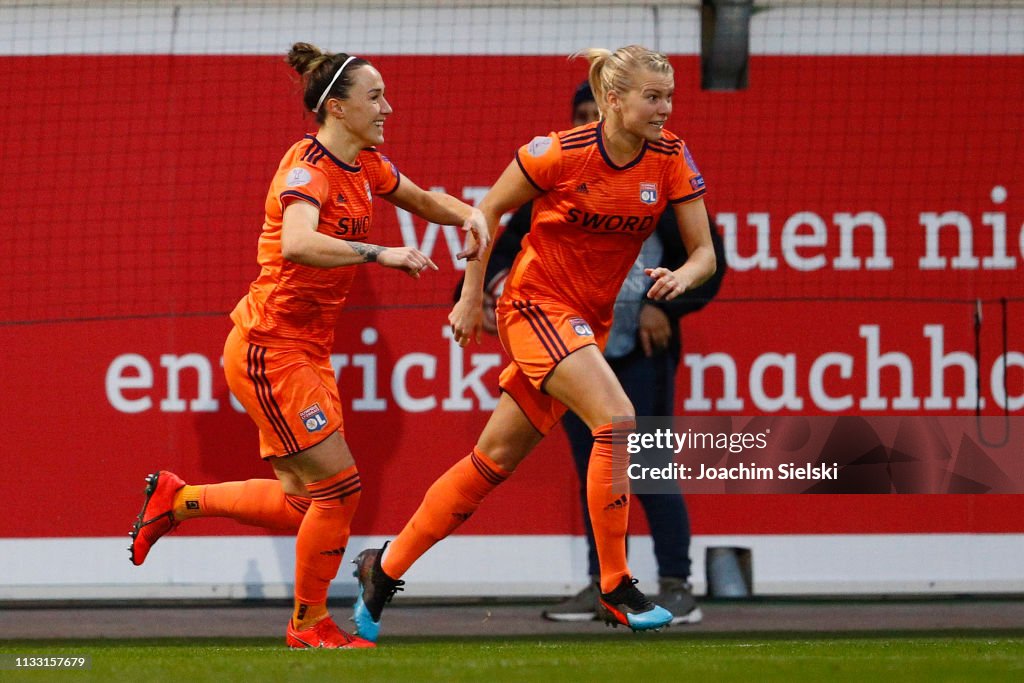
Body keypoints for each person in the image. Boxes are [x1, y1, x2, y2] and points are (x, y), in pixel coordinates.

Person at [128, 42, 488, 650]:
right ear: (337, 108)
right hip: (269, 348)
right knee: (342, 489)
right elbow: (297, 243)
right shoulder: (307, 169)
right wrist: (384, 253)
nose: (388, 108)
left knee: (308, 503)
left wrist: (470, 216)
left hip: (306, 352)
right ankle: (307, 624)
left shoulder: (365, 165)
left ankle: (178, 498)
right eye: (374, 98)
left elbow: (424, 200)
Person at [352, 45, 716, 641]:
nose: (664, 108)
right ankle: (616, 584)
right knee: (619, 419)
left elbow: (704, 252)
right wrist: (470, 297)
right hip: (535, 306)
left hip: (586, 324)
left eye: (668, 97)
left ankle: (383, 569)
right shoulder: (558, 152)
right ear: (615, 99)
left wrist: (682, 277)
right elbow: (484, 215)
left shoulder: (671, 157)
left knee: (490, 463)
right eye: (653, 97)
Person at [465, 81, 726, 624]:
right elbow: (502, 237)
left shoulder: (664, 166)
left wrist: (667, 307)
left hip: (639, 345)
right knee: (595, 465)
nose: (593, 126)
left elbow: (707, 259)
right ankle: (603, 582)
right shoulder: (559, 167)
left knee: (649, 462)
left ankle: (677, 583)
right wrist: (474, 296)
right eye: (582, 116)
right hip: (575, 341)